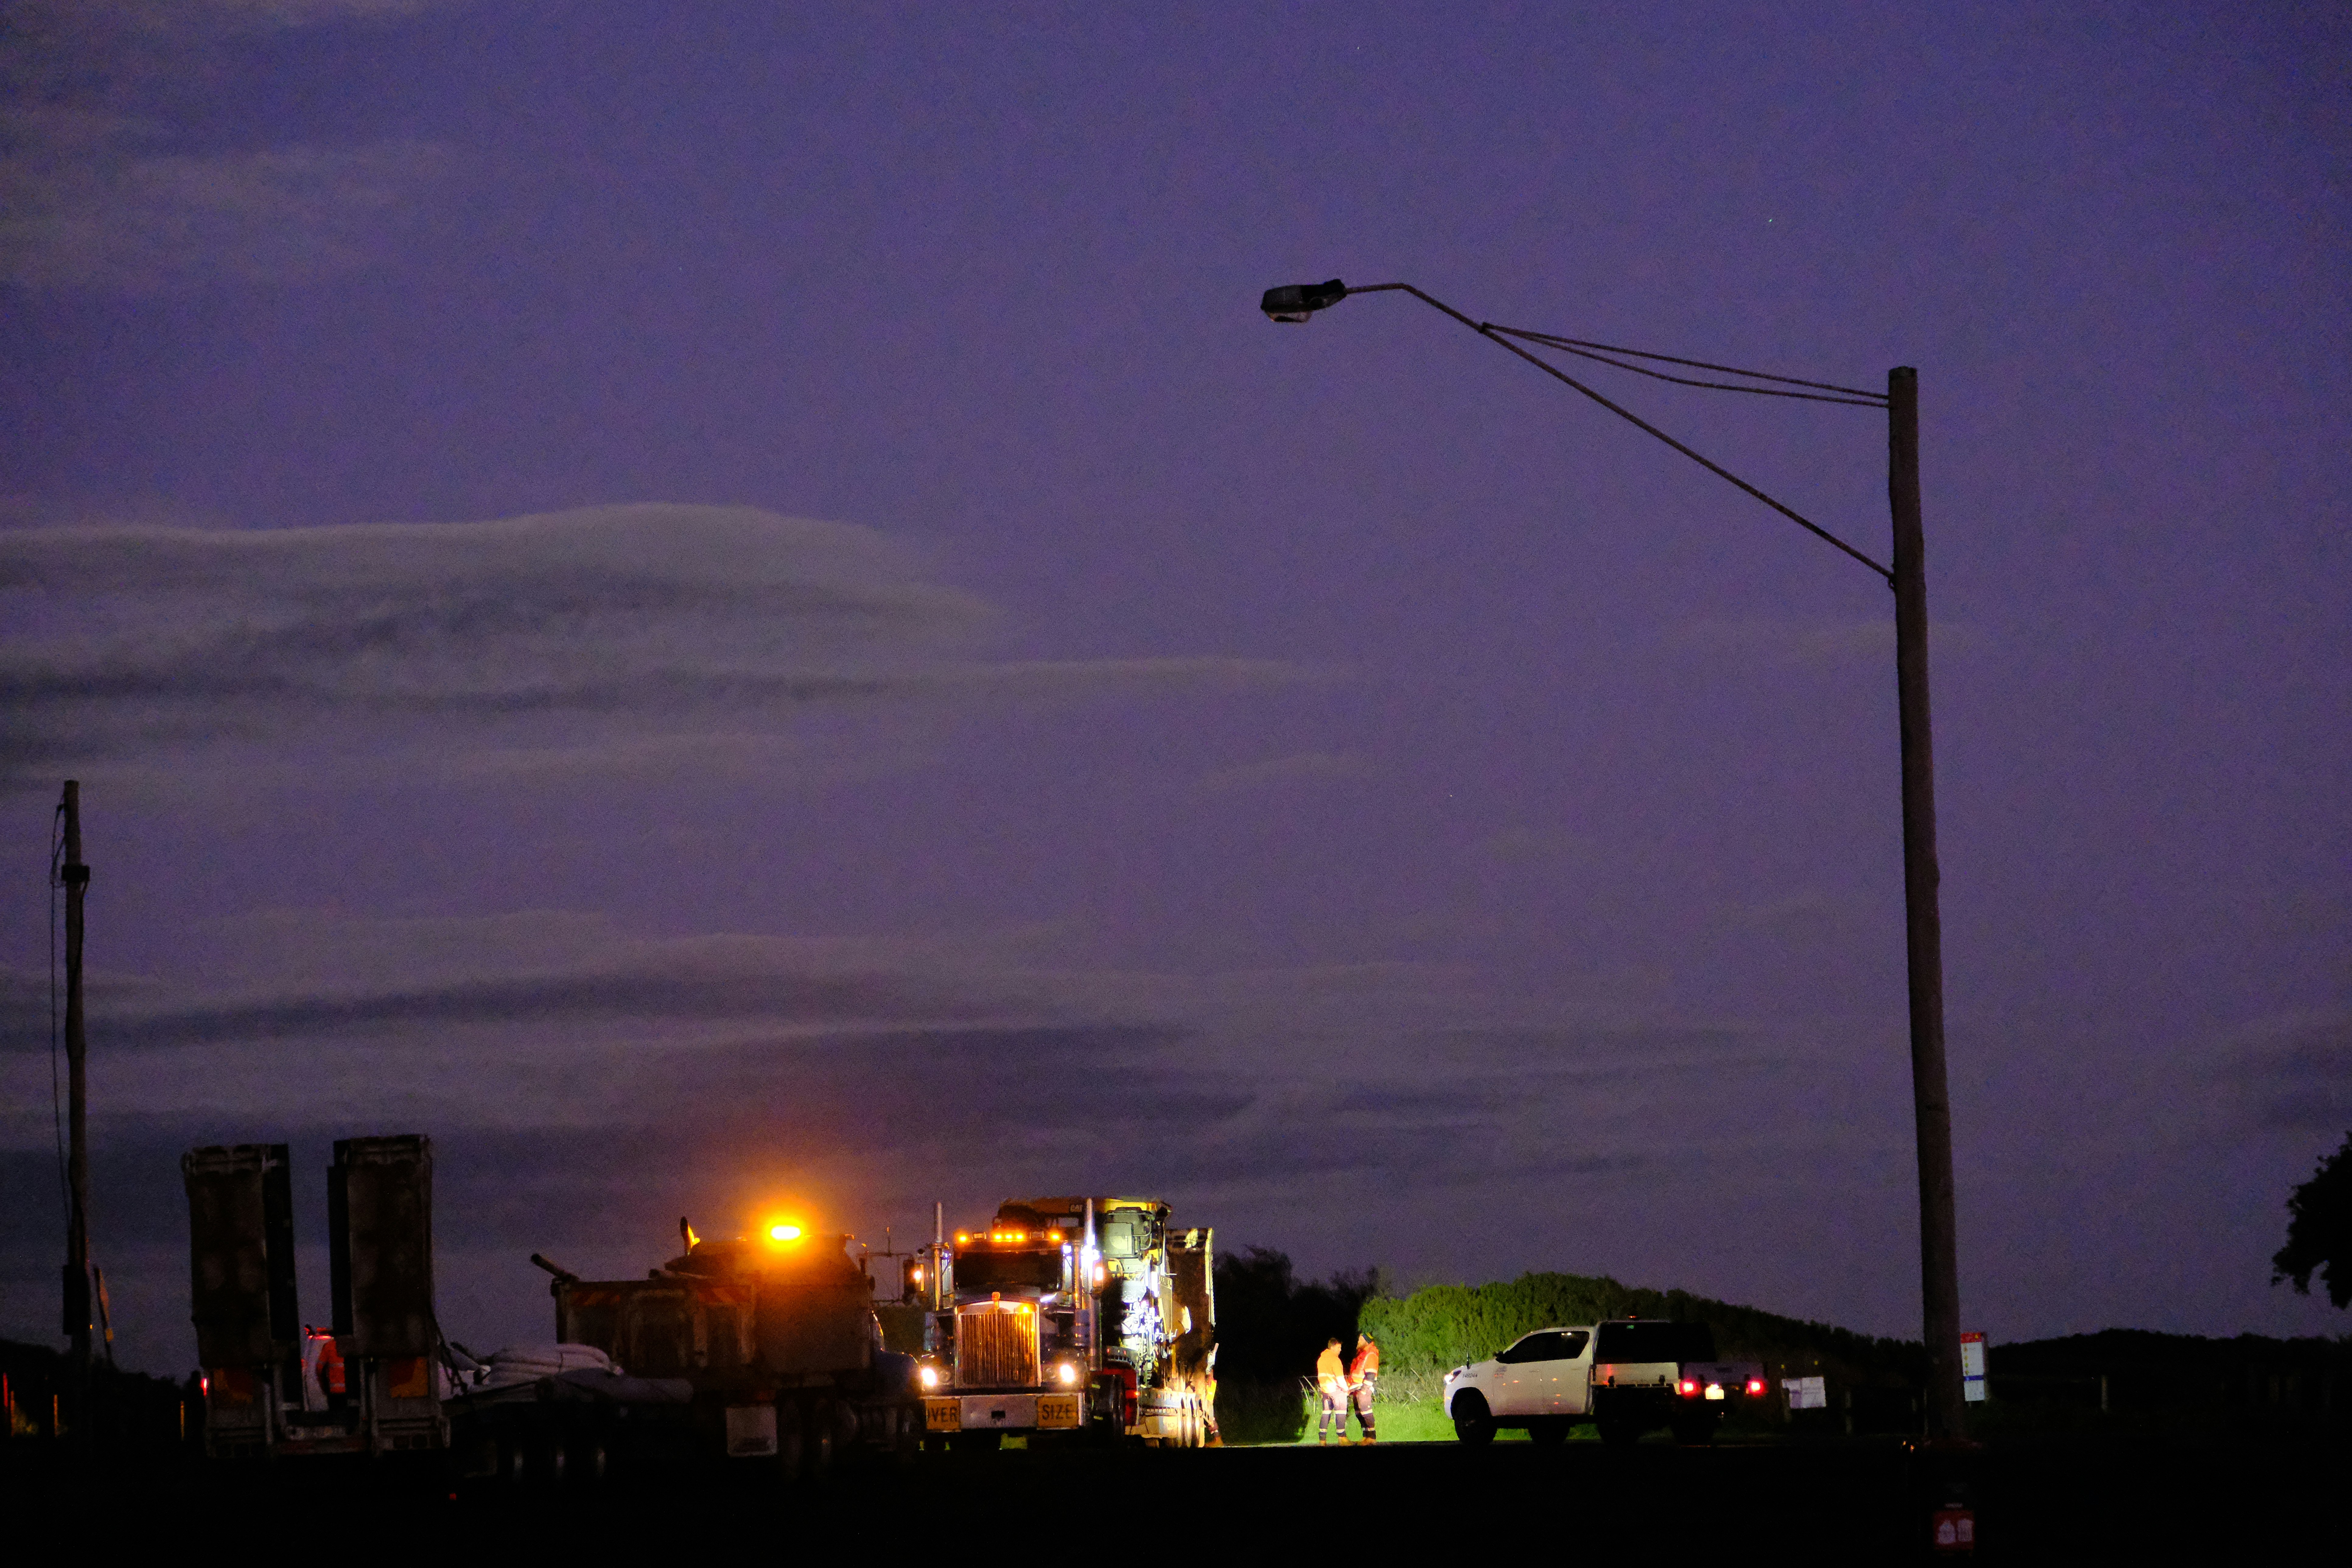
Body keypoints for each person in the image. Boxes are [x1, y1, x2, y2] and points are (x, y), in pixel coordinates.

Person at [1347, 1332, 1380, 1443]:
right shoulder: (1362, 1354)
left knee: (1366, 1412)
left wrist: (1364, 1390)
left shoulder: (1371, 1354)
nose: (1358, 1342)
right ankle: (1366, 1436)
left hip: (1363, 1389)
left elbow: (1371, 1374)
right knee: (1359, 1413)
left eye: (1361, 1340)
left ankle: (1372, 1438)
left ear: (1366, 1341)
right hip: (1357, 1389)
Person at [1315, 1337, 1349, 1443]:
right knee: (1341, 1412)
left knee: (1326, 1413)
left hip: (1325, 1391)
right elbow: (1340, 1378)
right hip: (1336, 1390)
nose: (1341, 1350)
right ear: (1333, 1347)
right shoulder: (1335, 1360)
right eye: (1339, 1347)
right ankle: (1342, 1438)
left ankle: (1322, 1439)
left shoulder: (1321, 1359)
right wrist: (1346, 1389)